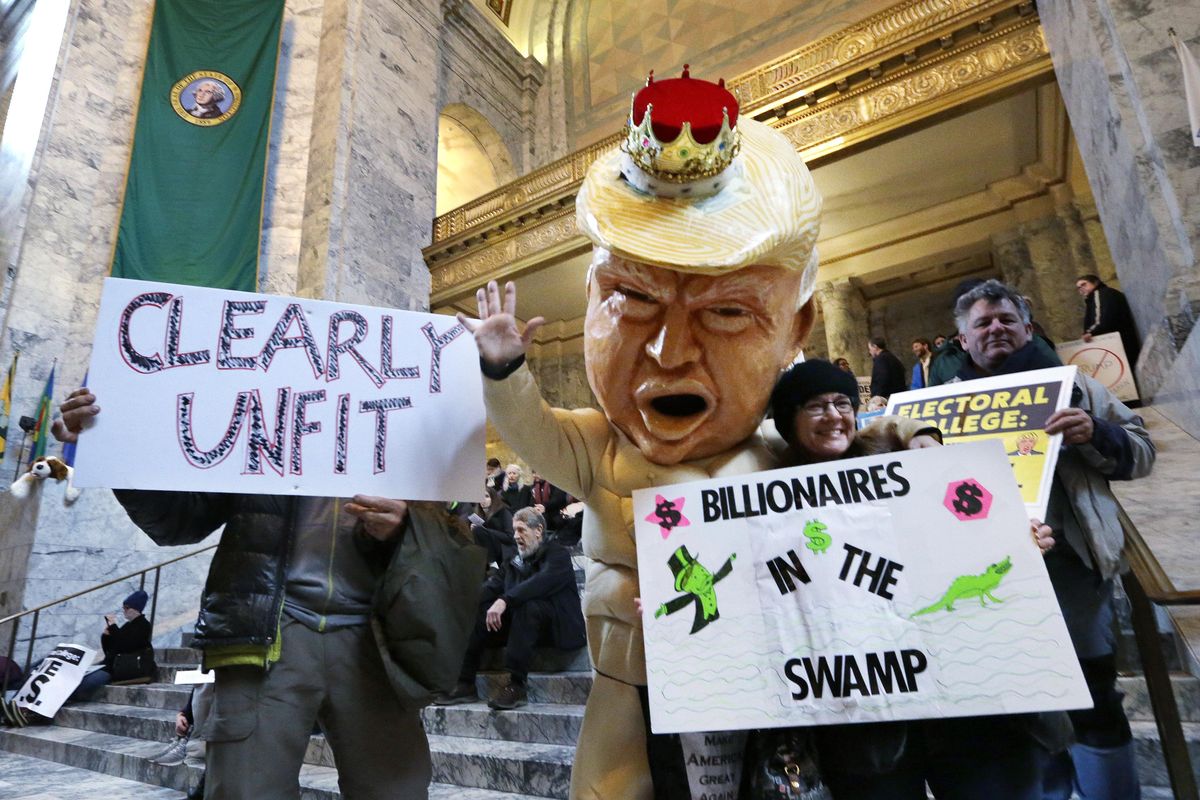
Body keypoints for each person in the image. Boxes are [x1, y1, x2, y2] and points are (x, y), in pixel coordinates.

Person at [459, 68, 823, 798]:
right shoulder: (599, 447)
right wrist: (503, 370)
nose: (668, 353)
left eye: (726, 313)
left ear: (797, 330)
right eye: (631, 299)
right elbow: (532, 432)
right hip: (626, 682)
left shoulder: (786, 461)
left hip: (746, 682)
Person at [53, 389, 438, 800]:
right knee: (245, 790)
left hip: (376, 641)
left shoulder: (406, 418)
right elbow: (177, 521)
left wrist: (409, 528)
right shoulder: (250, 410)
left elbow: (455, 538)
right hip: (265, 635)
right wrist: (112, 448)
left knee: (397, 791)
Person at [767, 358, 1058, 799]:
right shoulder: (766, 496)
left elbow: (967, 520)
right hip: (863, 709)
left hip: (962, 690)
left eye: (842, 403)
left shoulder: (891, 454)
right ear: (789, 420)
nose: (833, 416)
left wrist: (1017, 539)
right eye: (814, 406)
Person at [951, 279, 1155, 800]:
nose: (995, 328)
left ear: (1027, 328)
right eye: (983, 323)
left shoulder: (1075, 387)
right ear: (963, 341)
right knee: (1024, 709)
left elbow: (1142, 450)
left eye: (1006, 320)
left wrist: (1095, 433)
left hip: (1071, 569)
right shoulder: (939, 411)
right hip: (989, 581)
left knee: (1093, 695)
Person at [435, 508, 585, 711]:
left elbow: (541, 582)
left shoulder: (557, 554)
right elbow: (493, 585)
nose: (516, 536)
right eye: (514, 530)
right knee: (477, 612)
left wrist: (505, 599)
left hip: (558, 628)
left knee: (527, 605)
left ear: (538, 530)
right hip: (524, 629)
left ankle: (517, 684)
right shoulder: (515, 559)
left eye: (521, 530)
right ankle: (465, 683)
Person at [70, 589, 153, 700]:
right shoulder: (128, 625)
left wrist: (113, 627)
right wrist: (106, 636)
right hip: (111, 664)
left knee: (84, 684)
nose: (124, 610)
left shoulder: (144, 626)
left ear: (136, 609)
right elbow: (111, 648)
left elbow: (125, 646)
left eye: (126, 607)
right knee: (78, 676)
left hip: (120, 668)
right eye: (124, 607)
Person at [1077, 274, 1141, 365]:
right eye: (1079, 288)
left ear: (1095, 282)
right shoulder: (1103, 294)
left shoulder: (1099, 293)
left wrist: (1090, 332)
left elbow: (1102, 319)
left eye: (1084, 284)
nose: (1081, 289)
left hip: (1119, 342)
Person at [471, 486, 515, 565]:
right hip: (487, 549)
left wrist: (486, 531)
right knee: (475, 531)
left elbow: (509, 537)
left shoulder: (503, 511)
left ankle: (492, 564)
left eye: (487, 496)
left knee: (478, 530)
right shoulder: (478, 513)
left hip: (503, 548)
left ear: (493, 498)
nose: (483, 499)